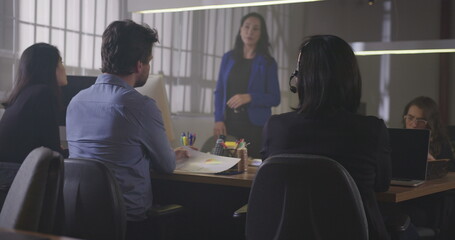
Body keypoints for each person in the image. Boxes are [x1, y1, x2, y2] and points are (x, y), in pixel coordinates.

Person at [261, 35, 396, 240]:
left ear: (299, 79)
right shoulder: (371, 130)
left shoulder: (276, 127)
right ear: (351, 78)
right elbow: (382, 185)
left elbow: (271, 181)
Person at [66, 20, 190, 240]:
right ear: (139, 65)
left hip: (79, 219)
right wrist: (174, 155)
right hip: (129, 224)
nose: (150, 68)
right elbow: (167, 166)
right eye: (149, 61)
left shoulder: (76, 102)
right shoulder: (140, 106)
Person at [0, 43, 68, 209]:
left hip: (8, 180)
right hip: (20, 181)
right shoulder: (43, 94)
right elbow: (53, 153)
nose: (63, 67)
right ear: (49, 67)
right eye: (60, 62)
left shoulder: (21, 95)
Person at [213, 12, 280, 158]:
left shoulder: (268, 62)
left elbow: (275, 98)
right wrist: (218, 119)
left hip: (255, 126)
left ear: (261, 33)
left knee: (251, 167)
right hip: (229, 123)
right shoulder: (228, 58)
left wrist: (250, 97)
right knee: (225, 165)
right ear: (240, 29)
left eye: (256, 28)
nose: (250, 32)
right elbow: (219, 91)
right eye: (247, 27)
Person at [403, 96, 454, 163]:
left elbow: (448, 170)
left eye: (420, 120)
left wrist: (432, 163)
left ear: (430, 124)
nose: (414, 125)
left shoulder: (442, 144)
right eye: (410, 118)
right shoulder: (398, 141)